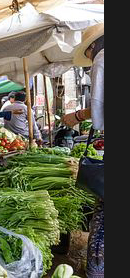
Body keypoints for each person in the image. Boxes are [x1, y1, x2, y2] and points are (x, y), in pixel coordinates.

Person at [61, 23, 104, 278]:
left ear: (91, 47)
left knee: (104, 217)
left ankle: (98, 269)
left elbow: (100, 107)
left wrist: (77, 116)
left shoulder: (102, 58)